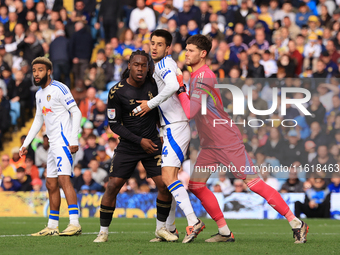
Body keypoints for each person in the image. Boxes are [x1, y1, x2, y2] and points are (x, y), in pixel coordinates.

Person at [176, 34, 309, 243]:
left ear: (202, 54)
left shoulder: (204, 76)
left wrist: (180, 88)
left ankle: (297, 223)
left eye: (191, 50)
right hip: (210, 144)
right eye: (186, 49)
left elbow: (190, 111)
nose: (186, 53)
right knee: (196, 185)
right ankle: (225, 232)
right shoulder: (196, 75)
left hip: (225, 140)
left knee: (254, 183)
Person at [93, 50, 177, 243]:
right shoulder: (116, 91)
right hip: (129, 146)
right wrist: (139, 141)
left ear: (148, 67)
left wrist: (161, 133)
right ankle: (103, 232)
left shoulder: (154, 85)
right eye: (136, 64)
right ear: (129, 65)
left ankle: (160, 229)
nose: (140, 68)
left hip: (153, 143)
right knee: (113, 186)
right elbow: (114, 125)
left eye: (144, 65)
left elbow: (161, 110)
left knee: (164, 186)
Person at [133, 30, 205, 243]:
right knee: (167, 181)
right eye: (152, 43)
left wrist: (150, 104)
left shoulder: (165, 64)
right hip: (170, 126)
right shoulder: (162, 65)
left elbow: (174, 86)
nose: (154, 47)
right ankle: (171, 229)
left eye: (159, 44)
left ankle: (193, 221)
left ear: (168, 48)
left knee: (167, 178)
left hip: (176, 126)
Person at [19, 57, 82, 236]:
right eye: (34, 70)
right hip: (52, 145)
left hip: (64, 143)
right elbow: (39, 119)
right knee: (50, 183)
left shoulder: (60, 88)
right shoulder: (39, 94)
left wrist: (74, 138)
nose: (36, 74)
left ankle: (74, 223)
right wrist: (25, 144)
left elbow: (75, 112)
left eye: (40, 70)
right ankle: (52, 226)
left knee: (63, 180)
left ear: (48, 71)